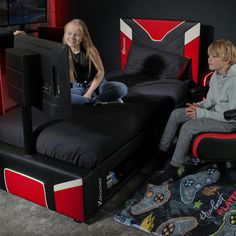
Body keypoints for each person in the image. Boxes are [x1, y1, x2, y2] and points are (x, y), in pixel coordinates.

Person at [148, 39, 236, 185]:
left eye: (214, 56)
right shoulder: (216, 75)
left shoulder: (234, 81)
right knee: (176, 114)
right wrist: (198, 106)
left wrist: (203, 114)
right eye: (209, 56)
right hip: (215, 113)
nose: (209, 59)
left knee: (188, 127)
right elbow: (211, 100)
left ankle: (172, 170)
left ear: (226, 60)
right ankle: (161, 154)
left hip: (229, 122)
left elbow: (231, 115)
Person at [63, 19, 128, 105]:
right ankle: (98, 101)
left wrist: (89, 93)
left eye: (77, 35)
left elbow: (101, 71)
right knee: (62, 96)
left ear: (83, 37)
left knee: (122, 88)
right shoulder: (64, 52)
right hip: (79, 87)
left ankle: (93, 100)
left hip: (98, 85)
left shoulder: (91, 51)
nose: (72, 37)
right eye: (69, 33)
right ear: (64, 35)